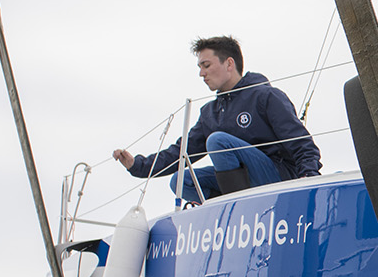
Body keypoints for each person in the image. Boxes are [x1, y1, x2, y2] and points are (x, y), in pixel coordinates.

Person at [114, 36, 321, 202]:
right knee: (180, 182)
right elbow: (180, 153)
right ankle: (225, 211)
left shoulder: (265, 96)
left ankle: (237, 208)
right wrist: (136, 165)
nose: (201, 73)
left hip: (277, 175)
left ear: (229, 63)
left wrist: (309, 177)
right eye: (199, 68)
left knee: (217, 141)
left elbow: (301, 142)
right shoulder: (210, 113)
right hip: (243, 181)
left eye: (206, 65)